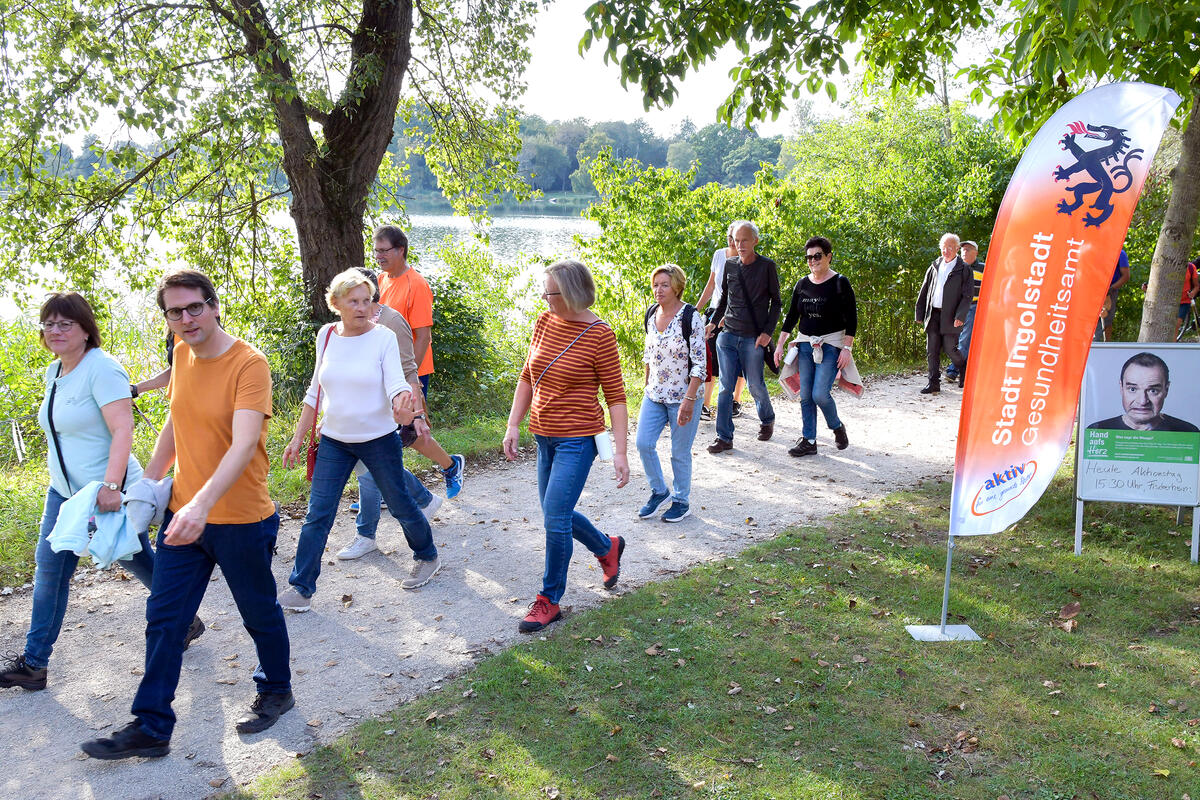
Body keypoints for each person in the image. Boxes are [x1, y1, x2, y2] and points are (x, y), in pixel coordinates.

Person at [81, 270, 291, 759]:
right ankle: (152, 727)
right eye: (174, 312)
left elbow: (242, 445)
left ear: (214, 306)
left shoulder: (249, 365)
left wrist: (201, 503)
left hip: (240, 518)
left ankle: (277, 688)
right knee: (165, 617)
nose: (186, 319)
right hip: (183, 518)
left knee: (258, 613)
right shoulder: (180, 355)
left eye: (194, 307)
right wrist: (148, 485)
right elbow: (176, 424)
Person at [0, 294, 202, 692]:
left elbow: (123, 429)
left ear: (85, 330)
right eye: (49, 324)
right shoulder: (54, 371)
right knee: (50, 574)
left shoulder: (103, 368)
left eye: (65, 324)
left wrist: (112, 486)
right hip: (65, 494)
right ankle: (34, 663)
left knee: (138, 560)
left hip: (107, 490)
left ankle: (184, 619)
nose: (55, 331)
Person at [278, 270, 439, 611]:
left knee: (399, 505)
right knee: (317, 514)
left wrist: (402, 400)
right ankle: (302, 588)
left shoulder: (382, 337)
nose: (362, 307)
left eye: (367, 300)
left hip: (378, 439)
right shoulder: (326, 336)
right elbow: (314, 391)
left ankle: (427, 555)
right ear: (335, 303)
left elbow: (396, 380)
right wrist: (297, 437)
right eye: (354, 301)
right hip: (335, 440)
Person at [502, 259, 629, 633]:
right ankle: (607, 547)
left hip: (578, 439)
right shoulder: (543, 321)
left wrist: (620, 451)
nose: (544, 297)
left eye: (550, 292)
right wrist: (513, 424)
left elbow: (617, 397)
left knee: (555, 517)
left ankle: (549, 599)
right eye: (543, 290)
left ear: (572, 294)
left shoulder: (600, 334)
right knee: (554, 514)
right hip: (544, 435)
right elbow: (528, 376)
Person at [336, 267, 444, 562]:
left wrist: (417, 414)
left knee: (370, 474)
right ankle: (424, 499)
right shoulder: (346, 324)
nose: (355, 303)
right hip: (357, 414)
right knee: (373, 471)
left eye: (360, 297)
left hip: (385, 413)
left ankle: (366, 535)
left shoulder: (391, 322)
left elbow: (410, 369)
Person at [374, 225, 465, 498]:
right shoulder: (381, 280)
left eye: (384, 250)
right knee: (384, 428)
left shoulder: (417, 285)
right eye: (376, 251)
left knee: (411, 429)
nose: (378, 256)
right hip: (385, 369)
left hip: (411, 370)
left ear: (400, 250)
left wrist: (406, 377)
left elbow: (423, 336)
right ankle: (379, 492)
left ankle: (451, 465)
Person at [774, 236, 857, 457]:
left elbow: (852, 319)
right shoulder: (802, 284)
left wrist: (847, 349)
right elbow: (791, 317)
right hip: (805, 345)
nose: (812, 261)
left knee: (820, 394)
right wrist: (780, 344)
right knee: (806, 396)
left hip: (831, 345)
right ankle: (809, 440)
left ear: (829, 257)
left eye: (817, 256)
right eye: (809, 257)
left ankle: (837, 427)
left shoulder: (840, 282)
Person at [636, 264, 706, 522]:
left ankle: (681, 501)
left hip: (684, 397)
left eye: (664, 284)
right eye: (655, 284)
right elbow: (648, 355)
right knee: (643, 443)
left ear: (676, 286)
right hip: (654, 395)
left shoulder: (690, 316)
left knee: (679, 452)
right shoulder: (651, 313)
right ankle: (659, 491)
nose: (658, 289)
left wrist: (689, 400)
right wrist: (646, 385)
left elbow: (700, 363)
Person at [705, 220, 781, 453]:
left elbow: (776, 303)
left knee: (755, 384)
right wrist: (712, 323)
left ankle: (767, 418)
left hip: (753, 338)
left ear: (755, 241)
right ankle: (724, 437)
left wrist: (767, 333)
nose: (740, 245)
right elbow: (724, 300)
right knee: (726, 387)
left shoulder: (767, 266)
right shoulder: (729, 265)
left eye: (744, 240)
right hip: (727, 336)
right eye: (736, 241)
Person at [695, 223, 746, 420]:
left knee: (738, 359)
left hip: (737, 316)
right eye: (729, 236)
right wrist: (695, 309)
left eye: (735, 236)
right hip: (715, 312)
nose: (731, 240)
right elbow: (710, 285)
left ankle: (736, 401)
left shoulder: (745, 258)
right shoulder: (719, 255)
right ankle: (705, 406)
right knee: (711, 359)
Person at [914, 232, 973, 393]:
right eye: (943, 247)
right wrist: (919, 313)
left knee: (950, 349)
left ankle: (963, 368)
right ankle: (933, 383)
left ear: (956, 249)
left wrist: (960, 316)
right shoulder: (934, 266)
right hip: (933, 314)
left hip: (951, 316)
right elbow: (924, 290)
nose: (946, 251)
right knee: (932, 350)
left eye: (950, 247)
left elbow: (967, 296)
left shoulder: (964, 269)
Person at [1087, 352, 1199, 433]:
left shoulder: (1187, 432)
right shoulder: (1098, 431)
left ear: (1166, 390)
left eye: (1153, 391)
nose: (1142, 401)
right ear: (1121, 388)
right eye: (1133, 389)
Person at [945, 240, 985, 382]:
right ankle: (963, 369)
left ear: (976, 252)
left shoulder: (984, 268)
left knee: (965, 339)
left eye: (968, 249)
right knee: (953, 340)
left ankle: (953, 370)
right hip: (956, 308)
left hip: (973, 307)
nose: (964, 251)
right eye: (962, 249)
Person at [1095, 248, 1131, 342]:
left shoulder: (1120, 253)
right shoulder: (1093, 248)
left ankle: (1106, 344)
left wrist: (1111, 289)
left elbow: (1126, 276)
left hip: (1110, 290)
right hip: (1092, 288)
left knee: (1106, 318)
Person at [1176, 258, 1198, 340]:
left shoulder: (1191, 267)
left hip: (1184, 300)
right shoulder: (1166, 267)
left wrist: (1193, 292)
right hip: (1171, 301)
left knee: (1176, 325)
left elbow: (1196, 286)